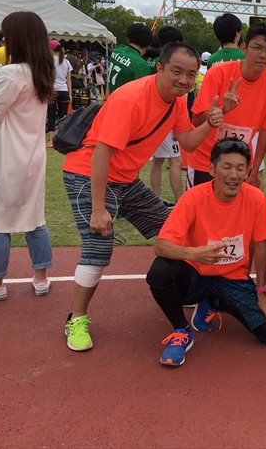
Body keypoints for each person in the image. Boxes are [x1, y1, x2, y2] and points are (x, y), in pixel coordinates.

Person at [61, 43, 221, 352]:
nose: (184, 80)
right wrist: (98, 209)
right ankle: (76, 319)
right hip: (88, 174)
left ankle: (191, 292)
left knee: (174, 229)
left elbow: (188, 142)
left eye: (191, 74)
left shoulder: (177, 101)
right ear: (160, 68)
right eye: (177, 71)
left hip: (125, 179)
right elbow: (101, 153)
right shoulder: (131, 98)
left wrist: (210, 123)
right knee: (98, 247)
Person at [146, 138, 266, 367]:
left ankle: (213, 302)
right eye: (226, 167)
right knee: (160, 272)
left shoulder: (255, 198)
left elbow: (261, 246)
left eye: (240, 168)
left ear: (247, 172)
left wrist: (262, 292)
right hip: (195, 275)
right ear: (212, 169)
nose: (234, 175)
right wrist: (194, 254)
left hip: (233, 279)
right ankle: (181, 330)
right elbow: (160, 246)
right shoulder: (192, 198)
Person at [0, 12, 55, 300]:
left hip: (7, 155)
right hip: (32, 155)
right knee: (34, 216)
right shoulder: (43, 70)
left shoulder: (12, 72)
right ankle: (41, 278)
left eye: (7, 35)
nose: (4, 40)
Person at [189, 24, 266, 188]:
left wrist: (254, 170)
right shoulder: (218, 73)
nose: (263, 55)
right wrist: (222, 110)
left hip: (240, 164)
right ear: (244, 48)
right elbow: (196, 120)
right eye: (257, 48)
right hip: (206, 161)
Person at [148, 26, 185, 207]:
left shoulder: (151, 59)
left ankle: (156, 198)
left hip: (152, 118)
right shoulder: (169, 62)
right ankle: (181, 201)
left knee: (158, 160)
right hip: (166, 116)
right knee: (176, 160)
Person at [107, 23, 154, 93]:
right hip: (125, 99)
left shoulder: (117, 49)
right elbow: (142, 93)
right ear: (149, 44)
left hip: (110, 97)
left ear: (127, 39)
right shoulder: (141, 65)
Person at [46, 39, 72, 146]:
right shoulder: (66, 62)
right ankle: (62, 139)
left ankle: (52, 140)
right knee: (63, 117)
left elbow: (48, 77)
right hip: (64, 90)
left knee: (51, 116)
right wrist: (70, 94)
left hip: (52, 90)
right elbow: (68, 80)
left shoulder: (48, 61)